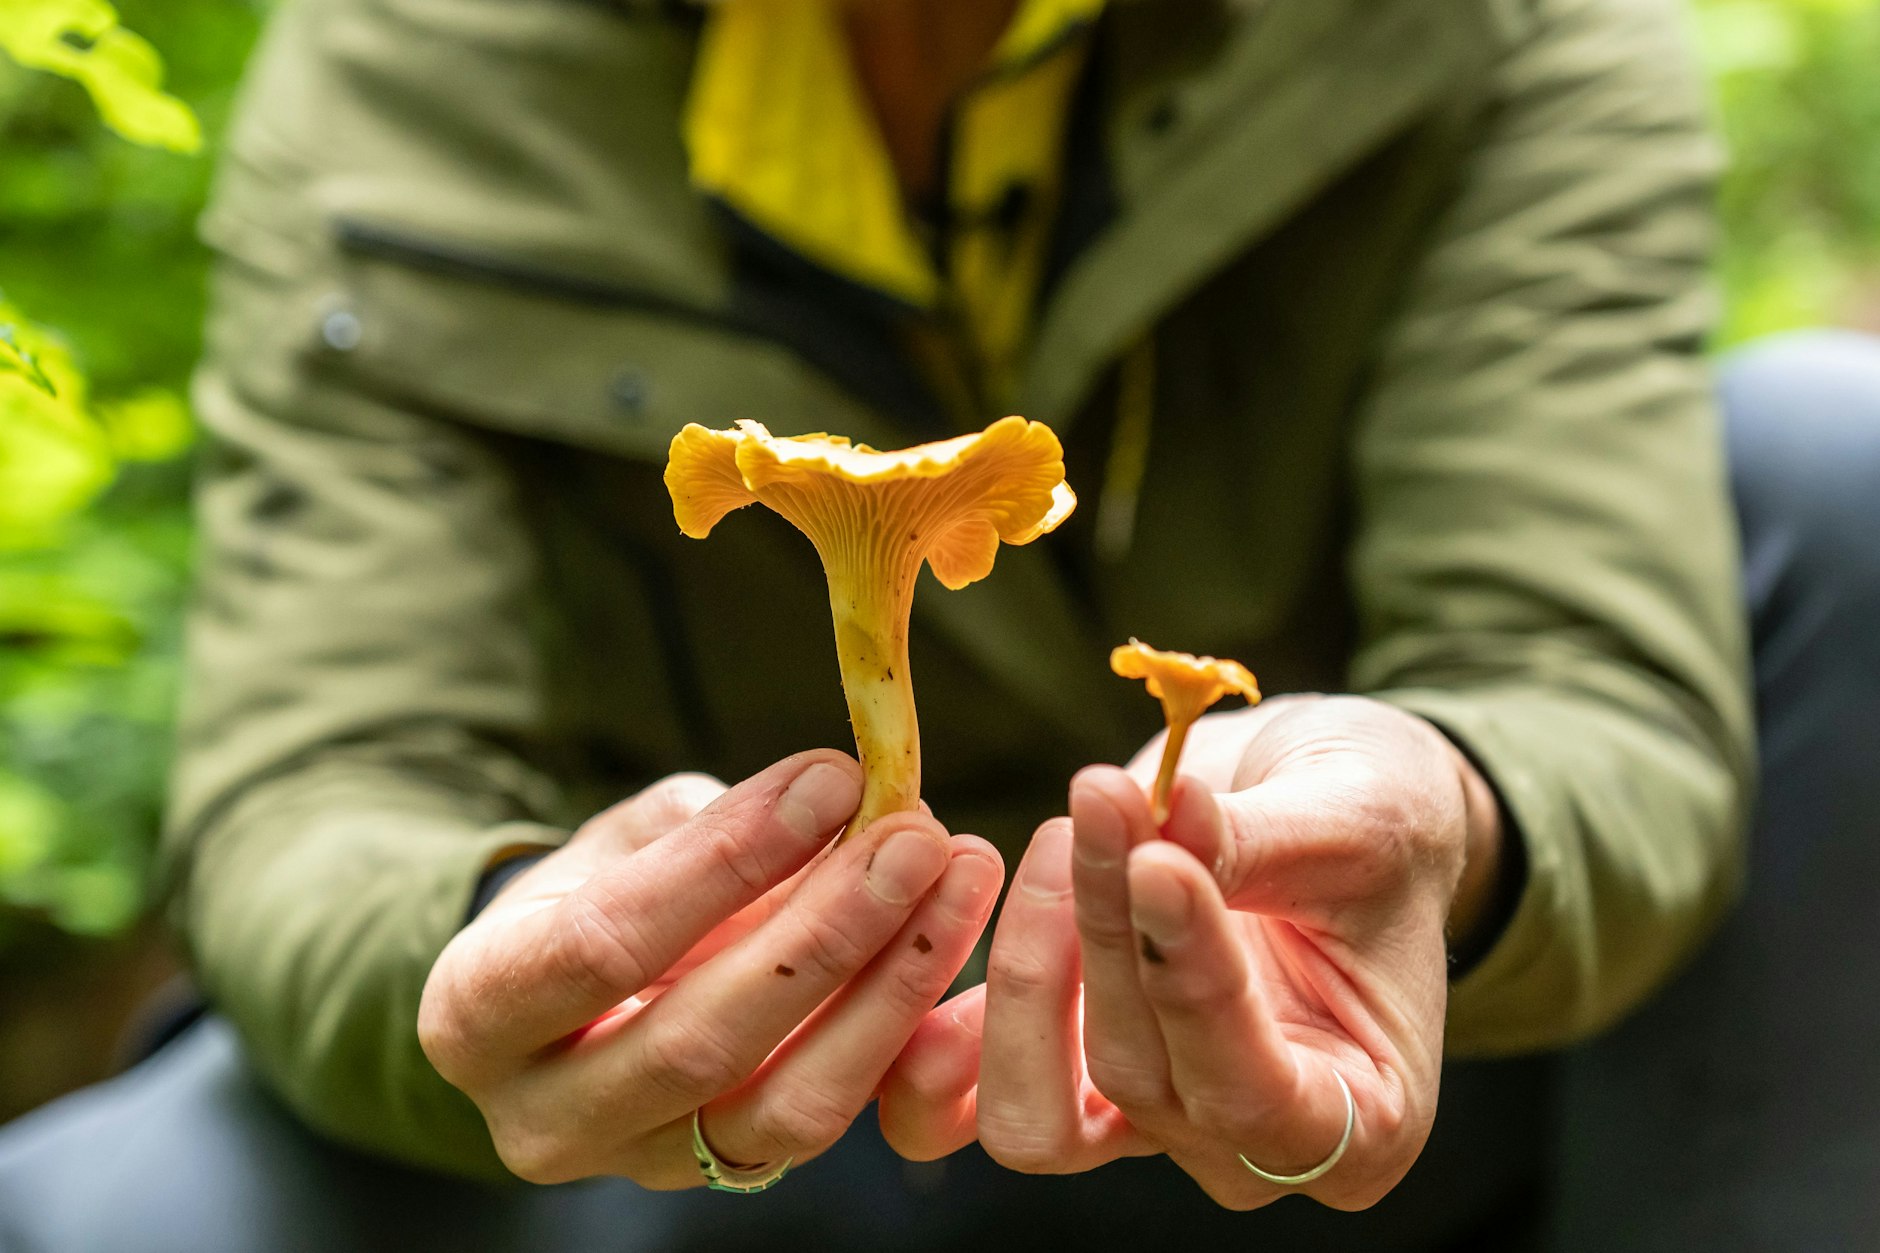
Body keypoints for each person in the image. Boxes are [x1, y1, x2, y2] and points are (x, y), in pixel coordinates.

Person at [1, 0, 1874, 1247]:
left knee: (1831, 466)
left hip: (1352, 1099)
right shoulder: (413, 71)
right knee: (87, 1212)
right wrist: (514, 946)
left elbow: (1589, 689)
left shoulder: (1480, 34)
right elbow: (321, 777)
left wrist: (1448, 813)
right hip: (708, 1140)